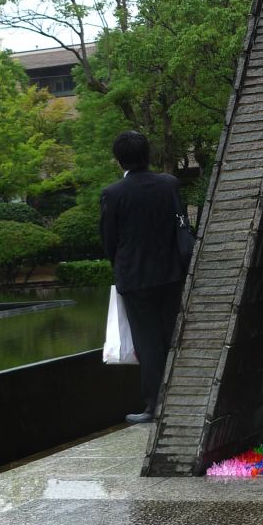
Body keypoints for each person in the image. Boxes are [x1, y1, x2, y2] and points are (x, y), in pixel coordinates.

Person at [99, 130, 188, 425]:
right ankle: (183, 397)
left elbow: (109, 240)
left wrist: (121, 265)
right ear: (147, 154)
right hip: (171, 273)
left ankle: (155, 405)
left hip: (136, 279)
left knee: (148, 343)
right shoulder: (169, 184)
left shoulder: (114, 194)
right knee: (172, 336)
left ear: (118, 159)